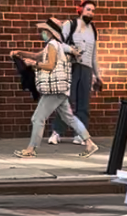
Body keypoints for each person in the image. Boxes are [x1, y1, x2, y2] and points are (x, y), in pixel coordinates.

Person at [13, 21, 98, 158]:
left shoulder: (52, 45)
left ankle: (31, 149)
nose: (42, 33)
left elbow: (50, 65)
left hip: (54, 90)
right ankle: (89, 143)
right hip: (60, 88)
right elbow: (36, 55)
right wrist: (20, 53)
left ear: (50, 32)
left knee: (38, 118)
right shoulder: (54, 45)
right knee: (69, 118)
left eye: (44, 31)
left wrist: (34, 65)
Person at [68, 0, 104, 139]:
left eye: (93, 11)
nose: (91, 13)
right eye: (88, 9)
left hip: (87, 68)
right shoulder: (71, 25)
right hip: (72, 66)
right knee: (67, 100)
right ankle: (57, 131)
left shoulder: (93, 30)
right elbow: (61, 44)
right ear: (81, 9)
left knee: (83, 103)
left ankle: (80, 133)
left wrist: (98, 75)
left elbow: (94, 54)